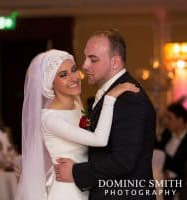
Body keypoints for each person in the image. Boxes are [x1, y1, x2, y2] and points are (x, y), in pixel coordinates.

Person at [16, 49, 139, 200]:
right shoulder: (50, 118)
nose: (74, 77)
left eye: (74, 70)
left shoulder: (77, 107)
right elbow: (98, 139)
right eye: (63, 75)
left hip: (84, 184)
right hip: (66, 191)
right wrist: (110, 97)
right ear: (50, 82)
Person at [54, 29, 156, 200]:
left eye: (93, 59)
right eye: (85, 57)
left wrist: (76, 172)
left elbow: (123, 161)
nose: (85, 65)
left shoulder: (129, 98)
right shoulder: (113, 93)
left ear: (115, 62)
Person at [155, 102, 187, 200]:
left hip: (179, 182)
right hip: (161, 176)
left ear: (180, 120)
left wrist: (169, 174)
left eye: (170, 118)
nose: (166, 122)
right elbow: (158, 152)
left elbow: (183, 167)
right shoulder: (166, 134)